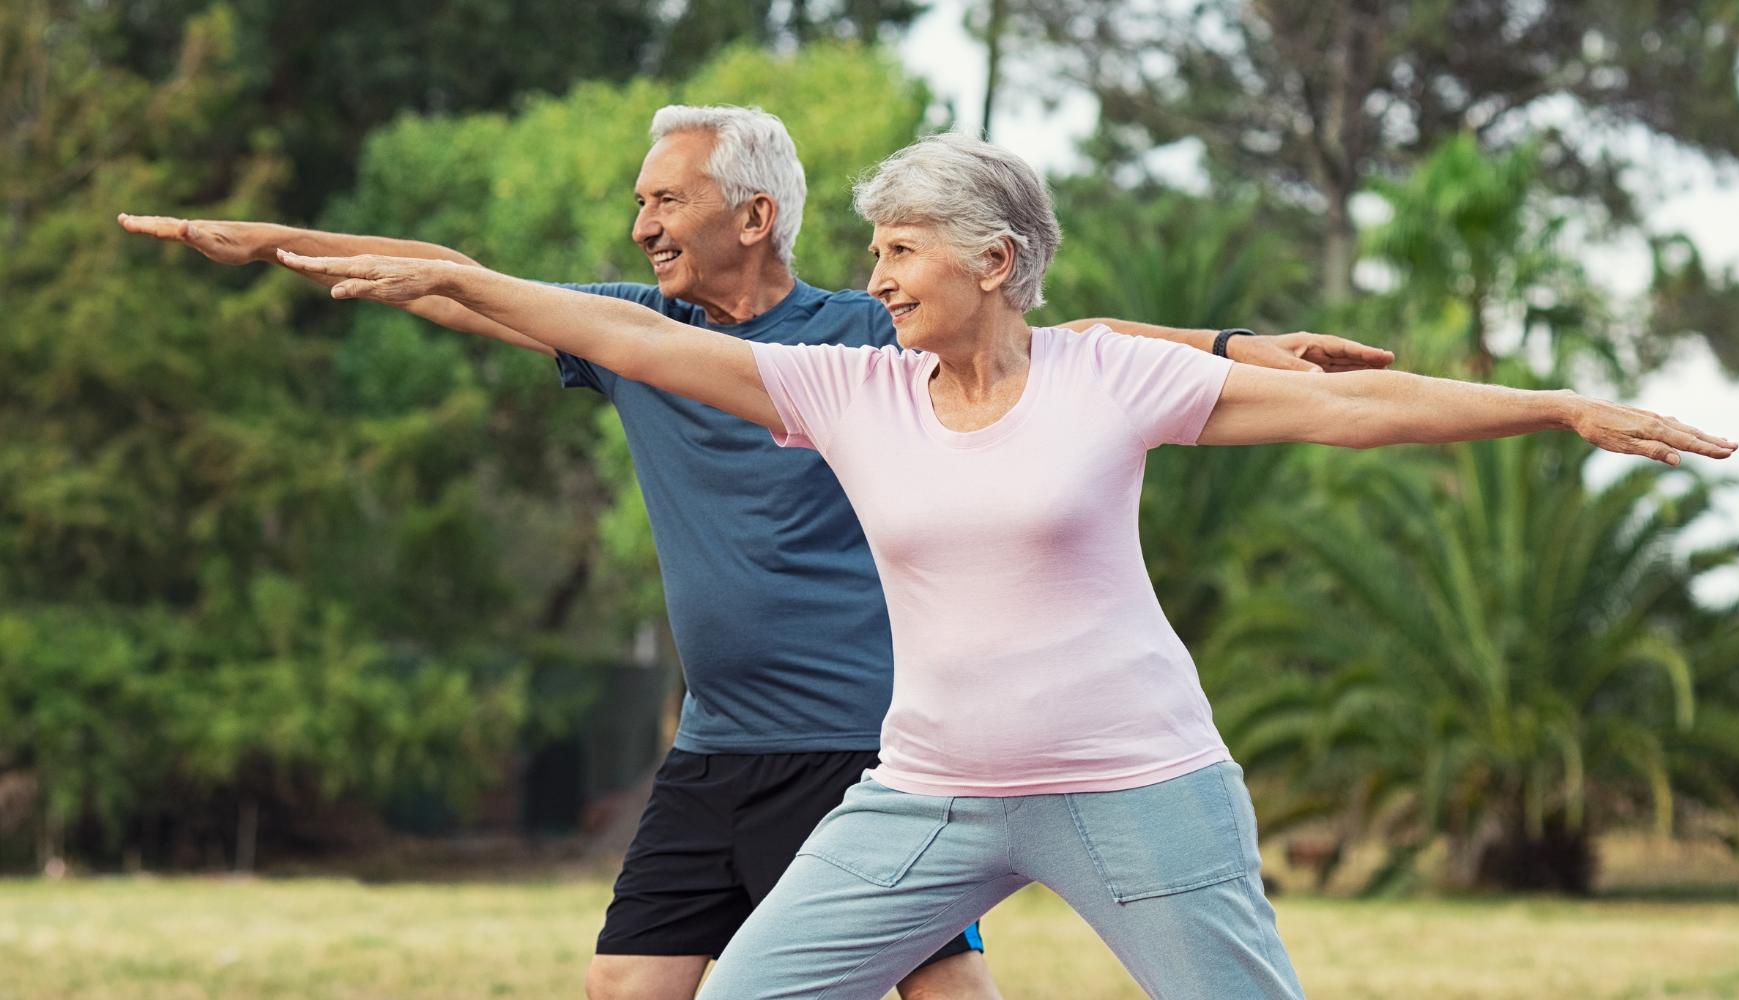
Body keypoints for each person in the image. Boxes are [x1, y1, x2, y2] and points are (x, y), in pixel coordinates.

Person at [273, 131, 1735, 999]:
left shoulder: (1109, 378)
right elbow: (639, 339)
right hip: (930, 794)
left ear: (996, 261)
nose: (883, 273)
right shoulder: (850, 392)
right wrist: (460, 277)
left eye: (904, 246)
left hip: (1138, 789)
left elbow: (1353, 410)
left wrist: (1552, 406)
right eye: (875, 247)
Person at [120, 107, 1396, 1000]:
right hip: (719, 737)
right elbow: (468, 279)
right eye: (637, 205)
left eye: (664, 201)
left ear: (755, 212)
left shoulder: (863, 332)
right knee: (629, 979)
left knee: (940, 979)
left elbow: (1067, 338)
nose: (640, 228)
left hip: (864, 736)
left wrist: (1231, 348)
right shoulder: (637, 333)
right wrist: (276, 244)